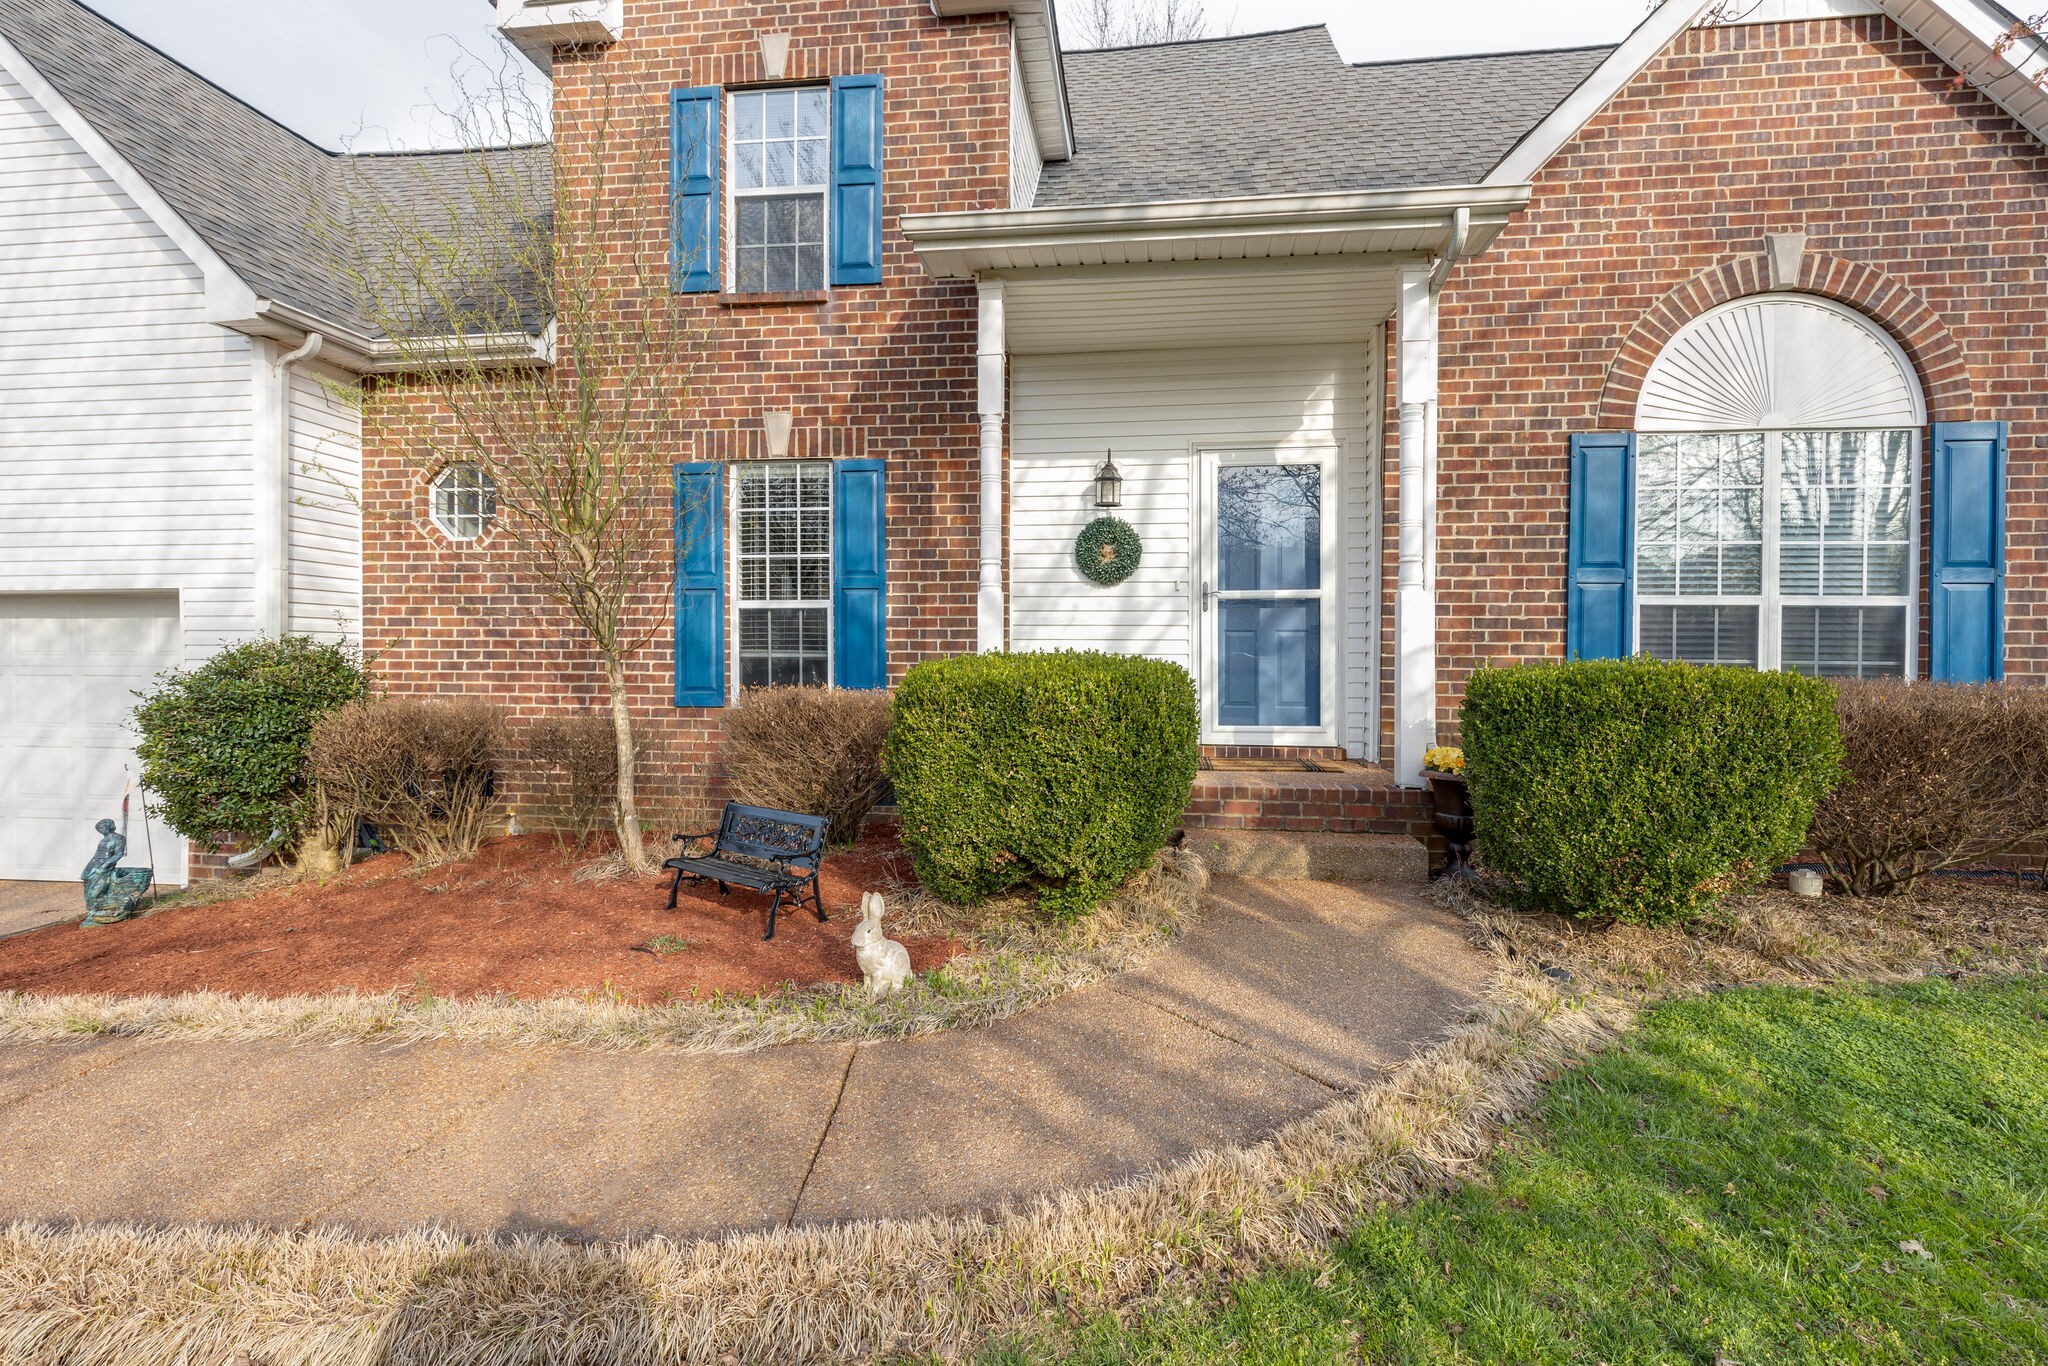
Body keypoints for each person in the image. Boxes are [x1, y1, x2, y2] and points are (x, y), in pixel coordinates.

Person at [81, 818, 152, 926]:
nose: (101, 830)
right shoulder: (103, 840)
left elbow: (119, 853)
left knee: (96, 890)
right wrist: (89, 868)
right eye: (99, 828)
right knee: (87, 887)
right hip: (93, 865)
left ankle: (100, 909)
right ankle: (93, 910)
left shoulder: (119, 838)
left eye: (103, 827)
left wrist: (105, 865)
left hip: (105, 866)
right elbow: (97, 855)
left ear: (110, 826)